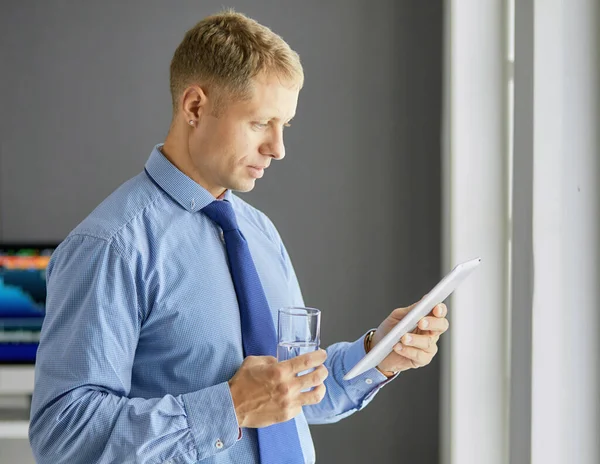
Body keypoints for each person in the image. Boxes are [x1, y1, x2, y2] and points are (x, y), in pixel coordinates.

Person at [29, 9, 449, 464]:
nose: (278, 148)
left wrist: (379, 354)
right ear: (195, 107)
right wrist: (228, 406)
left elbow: (289, 398)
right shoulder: (111, 246)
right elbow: (63, 434)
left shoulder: (258, 232)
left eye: (284, 126)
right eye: (259, 123)